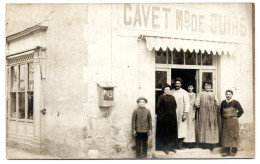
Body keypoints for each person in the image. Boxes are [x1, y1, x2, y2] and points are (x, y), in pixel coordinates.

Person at [194, 80, 219, 151]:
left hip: (211, 113)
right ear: (204, 86)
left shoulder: (213, 94)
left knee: (211, 127)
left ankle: (211, 144)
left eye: (209, 85)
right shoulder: (201, 94)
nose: (207, 87)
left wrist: (214, 105)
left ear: (211, 86)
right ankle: (204, 143)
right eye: (206, 85)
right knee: (204, 127)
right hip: (203, 113)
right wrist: (201, 107)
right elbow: (196, 103)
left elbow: (217, 102)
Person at [220, 90, 244, 157]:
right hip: (225, 121)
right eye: (227, 94)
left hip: (233, 121)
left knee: (234, 135)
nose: (228, 95)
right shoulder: (223, 102)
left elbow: (241, 111)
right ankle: (227, 151)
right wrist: (224, 117)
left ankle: (234, 150)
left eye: (229, 94)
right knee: (225, 136)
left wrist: (235, 117)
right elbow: (221, 112)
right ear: (225, 95)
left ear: (232, 95)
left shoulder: (236, 102)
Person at [156, 84, 178, 154]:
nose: (168, 91)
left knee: (172, 132)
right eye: (166, 90)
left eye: (169, 89)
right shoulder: (161, 97)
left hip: (172, 118)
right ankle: (164, 147)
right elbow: (157, 107)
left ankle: (172, 147)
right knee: (164, 132)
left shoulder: (172, 97)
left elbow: (175, 106)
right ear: (163, 90)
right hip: (163, 118)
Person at [170, 77, 190, 149]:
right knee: (172, 129)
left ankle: (180, 145)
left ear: (181, 84)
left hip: (181, 113)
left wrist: (185, 113)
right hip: (172, 113)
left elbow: (187, 103)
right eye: (176, 83)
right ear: (174, 84)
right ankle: (173, 145)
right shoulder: (171, 92)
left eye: (179, 83)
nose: (177, 85)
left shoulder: (184, 92)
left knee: (181, 129)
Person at [183, 84, 196, 148]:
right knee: (186, 126)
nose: (190, 88)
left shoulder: (195, 95)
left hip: (192, 112)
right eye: (189, 87)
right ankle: (185, 142)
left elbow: (196, 104)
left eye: (191, 87)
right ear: (187, 88)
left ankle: (191, 143)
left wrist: (195, 112)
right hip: (186, 111)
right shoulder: (185, 94)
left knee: (191, 127)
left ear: (193, 88)